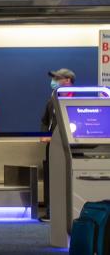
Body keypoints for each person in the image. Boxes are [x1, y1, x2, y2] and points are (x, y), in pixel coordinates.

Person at [41, 68, 75, 220]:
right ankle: (51, 212)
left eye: (57, 78)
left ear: (67, 80)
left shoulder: (79, 98)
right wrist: (44, 135)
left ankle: (70, 213)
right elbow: (44, 120)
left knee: (68, 178)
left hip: (72, 147)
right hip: (52, 145)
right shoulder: (52, 99)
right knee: (51, 178)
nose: (54, 82)